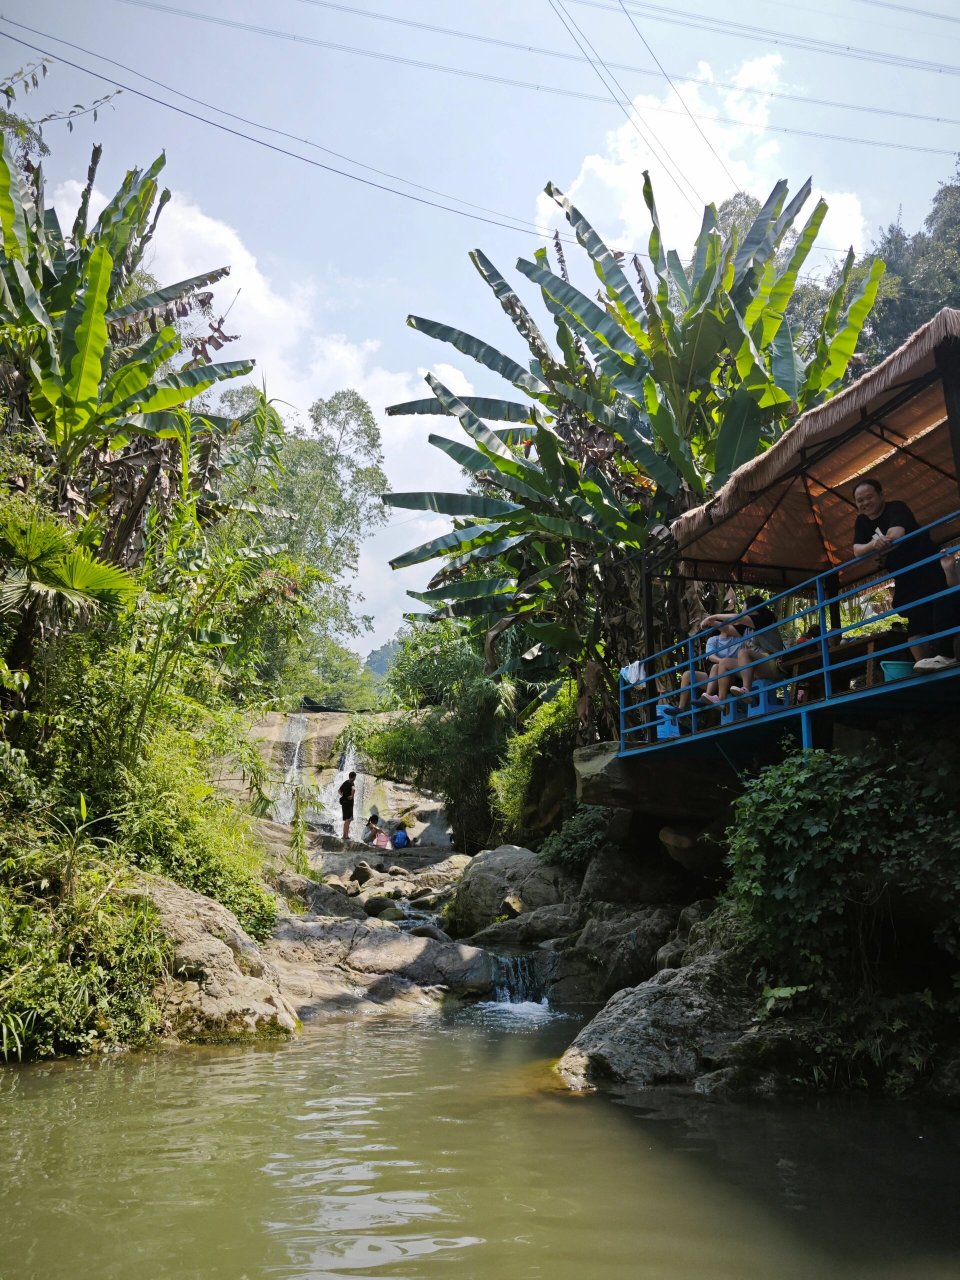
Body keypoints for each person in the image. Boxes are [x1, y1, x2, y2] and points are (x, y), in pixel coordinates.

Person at [852, 478, 958, 668]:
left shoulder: (896, 508)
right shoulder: (861, 521)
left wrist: (883, 544)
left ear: (881, 495)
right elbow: (857, 550)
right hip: (904, 575)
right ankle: (922, 665)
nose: (865, 503)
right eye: (860, 500)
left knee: (941, 603)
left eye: (869, 497)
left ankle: (946, 655)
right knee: (914, 616)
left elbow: (897, 534)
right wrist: (875, 545)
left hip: (926, 566)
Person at [701, 593, 785, 705]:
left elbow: (739, 618)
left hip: (772, 663)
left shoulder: (764, 619)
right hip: (755, 667)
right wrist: (712, 623)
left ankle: (747, 691)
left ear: (752, 608)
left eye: (743, 607)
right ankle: (721, 701)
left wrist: (714, 616)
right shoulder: (747, 627)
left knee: (743, 653)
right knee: (724, 662)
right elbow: (728, 629)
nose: (742, 610)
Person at [338, 771, 357, 842]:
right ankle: (345, 836)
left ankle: (344, 835)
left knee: (346, 819)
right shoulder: (352, 782)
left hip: (344, 803)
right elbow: (353, 789)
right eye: (355, 777)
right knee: (348, 819)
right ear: (354, 777)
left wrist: (343, 796)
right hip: (349, 804)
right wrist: (352, 796)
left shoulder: (345, 782)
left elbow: (339, 791)